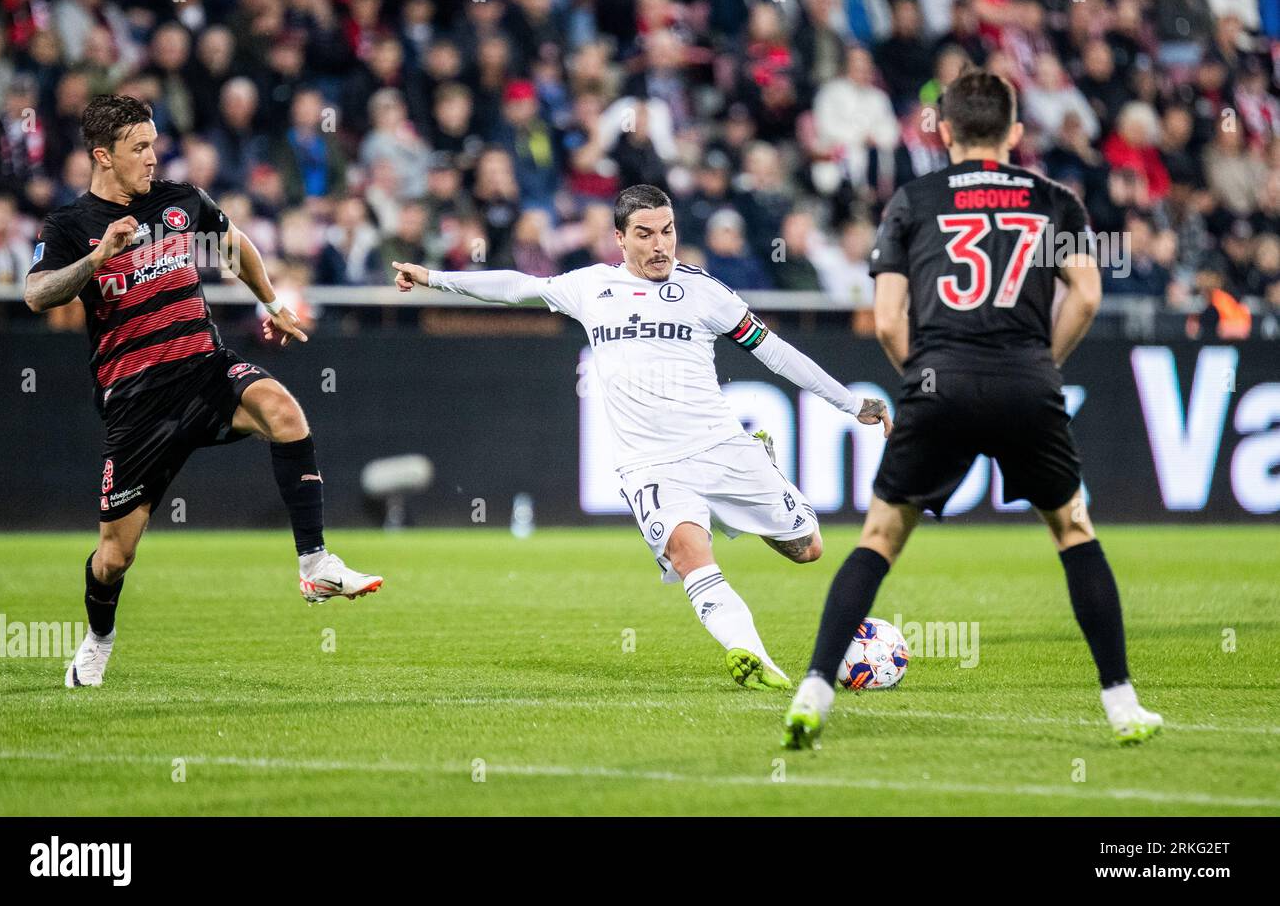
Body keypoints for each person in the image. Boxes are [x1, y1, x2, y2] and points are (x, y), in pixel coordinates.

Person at [782, 71, 1163, 749]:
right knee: (1073, 530)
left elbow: (890, 320)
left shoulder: (914, 199)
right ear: (1015, 132)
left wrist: (927, 378)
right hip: (1026, 377)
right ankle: (1122, 704)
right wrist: (1043, 360)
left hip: (939, 379)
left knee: (878, 538)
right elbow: (1088, 292)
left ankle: (814, 689)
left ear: (946, 130)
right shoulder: (1053, 200)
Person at [393, 184, 891, 689]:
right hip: (650, 465)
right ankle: (750, 653)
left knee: (807, 549)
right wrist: (433, 278)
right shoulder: (590, 287)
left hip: (721, 446)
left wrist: (851, 403)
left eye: (668, 232)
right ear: (620, 239)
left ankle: (762, 477)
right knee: (688, 552)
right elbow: (515, 286)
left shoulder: (706, 292)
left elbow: (778, 354)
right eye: (645, 234)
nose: (660, 245)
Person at [24, 94, 382, 689]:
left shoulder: (178, 202)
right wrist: (97, 259)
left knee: (282, 409)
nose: (151, 155)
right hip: (137, 406)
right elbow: (38, 296)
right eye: (138, 147)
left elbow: (235, 245)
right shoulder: (71, 226)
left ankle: (316, 563)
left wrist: (271, 302)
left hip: (206, 370)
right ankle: (99, 639)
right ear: (102, 157)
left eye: (153, 142)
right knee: (114, 558)